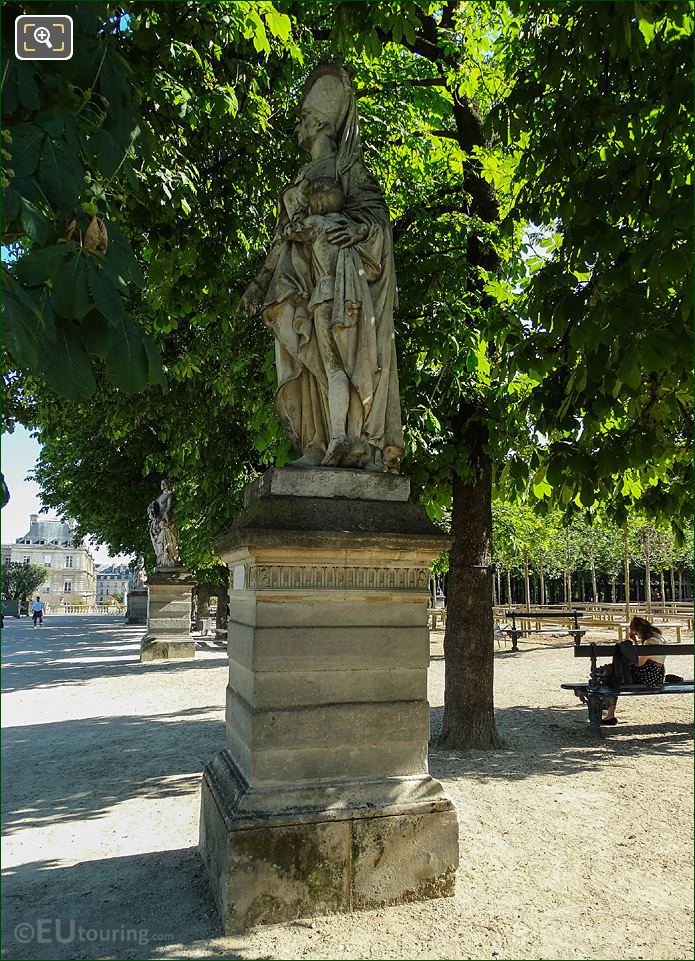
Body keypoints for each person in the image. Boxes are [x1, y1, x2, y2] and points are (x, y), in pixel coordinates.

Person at [239, 63, 404, 472]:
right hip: (299, 283)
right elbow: (282, 239)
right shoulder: (299, 179)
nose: (297, 128)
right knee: (311, 360)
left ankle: (355, 442)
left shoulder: (347, 170)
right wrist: (257, 287)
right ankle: (317, 442)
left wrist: (356, 228)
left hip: (343, 286)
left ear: (317, 124)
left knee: (342, 364)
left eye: (301, 120)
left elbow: (378, 220)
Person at [602, 616, 666, 725]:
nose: (637, 635)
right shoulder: (659, 638)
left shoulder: (651, 642)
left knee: (615, 677)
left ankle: (610, 714)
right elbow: (642, 658)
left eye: (636, 633)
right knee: (616, 674)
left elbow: (639, 663)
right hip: (656, 674)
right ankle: (610, 714)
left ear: (639, 631)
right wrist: (635, 642)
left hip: (648, 676)